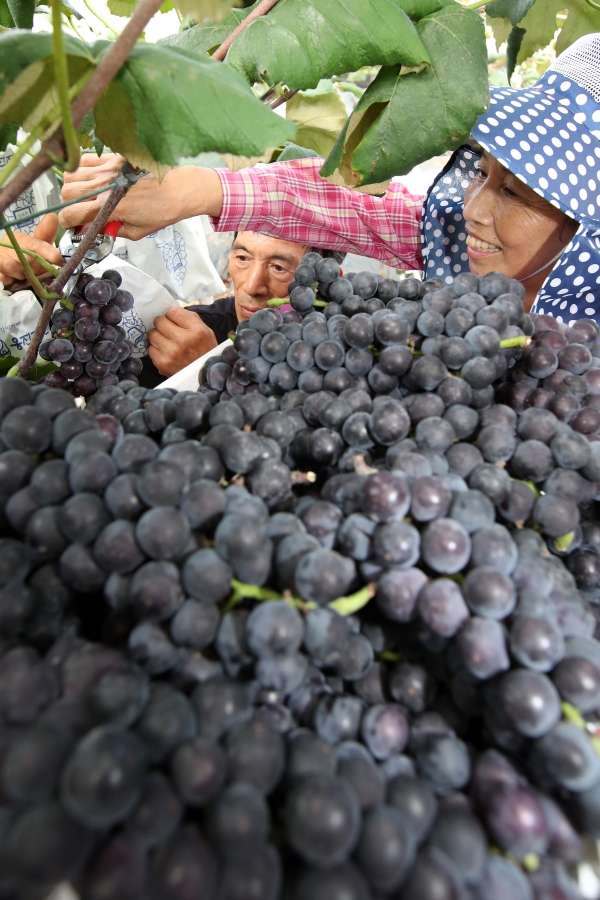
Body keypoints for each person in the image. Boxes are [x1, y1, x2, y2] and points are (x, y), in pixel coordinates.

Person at [56, 33, 600, 325]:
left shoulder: (580, 366)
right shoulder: (455, 244)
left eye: (514, 191)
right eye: (480, 173)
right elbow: (343, 206)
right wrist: (195, 190)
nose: (473, 209)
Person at [143, 230, 344, 382]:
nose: (251, 286)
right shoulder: (185, 339)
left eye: (279, 268)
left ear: (329, 281)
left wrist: (206, 369)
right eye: (242, 258)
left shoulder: (340, 349)